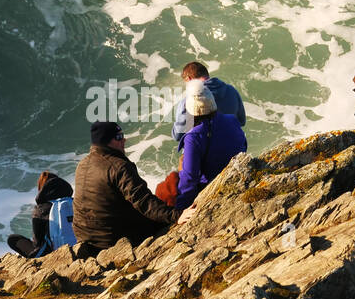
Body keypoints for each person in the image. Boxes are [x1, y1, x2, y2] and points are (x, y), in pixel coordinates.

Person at [73, 121, 181, 258]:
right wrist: (177, 215)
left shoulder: (82, 164)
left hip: (85, 237)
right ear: (106, 142)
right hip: (112, 240)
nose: (124, 140)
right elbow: (144, 202)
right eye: (118, 137)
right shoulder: (119, 166)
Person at [174, 79, 248, 210]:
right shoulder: (232, 120)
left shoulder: (193, 137)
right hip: (239, 178)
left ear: (190, 111)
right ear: (212, 102)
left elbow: (189, 178)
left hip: (211, 189)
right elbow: (243, 147)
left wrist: (181, 209)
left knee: (169, 183)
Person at [171, 61, 246, 147]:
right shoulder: (232, 90)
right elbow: (241, 121)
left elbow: (178, 135)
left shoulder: (189, 101)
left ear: (189, 79)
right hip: (233, 147)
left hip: (204, 154)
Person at [7, 171, 76, 257]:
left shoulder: (41, 209)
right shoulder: (76, 202)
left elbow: (38, 243)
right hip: (80, 247)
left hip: (56, 254)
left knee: (12, 239)